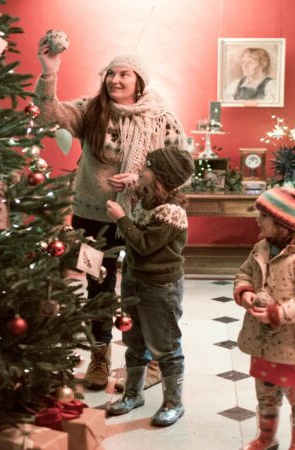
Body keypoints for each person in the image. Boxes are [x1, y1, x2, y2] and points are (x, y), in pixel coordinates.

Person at [35, 37, 187, 391]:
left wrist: (140, 177)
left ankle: (146, 360)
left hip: (141, 215)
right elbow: (45, 115)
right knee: (98, 287)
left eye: (124, 75)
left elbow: (182, 165)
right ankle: (99, 356)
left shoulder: (161, 117)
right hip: (91, 216)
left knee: (143, 287)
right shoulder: (91, 110)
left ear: (140, 81)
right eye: (111, 74)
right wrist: (50, 71)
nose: (115, 80)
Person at [233, 187, 295, 450]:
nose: (257, 219)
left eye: (263, 215)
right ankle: (266, 439)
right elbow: (243, 274)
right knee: (266, 396)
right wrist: (246, 294)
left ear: (282, 223)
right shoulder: (261, 248)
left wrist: (279, 313)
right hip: (265, 343)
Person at [104, 146, 194, 427]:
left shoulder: (172, 212)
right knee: (134, 341)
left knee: (165, 345)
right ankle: (133, 394)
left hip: (160, 287)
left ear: (161, 176)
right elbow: (135, 239)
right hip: (134, 280)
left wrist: (121, 217)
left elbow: (143, 245)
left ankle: (173, 402)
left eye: (146, 167)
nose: (140, 170)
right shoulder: (148, 201)